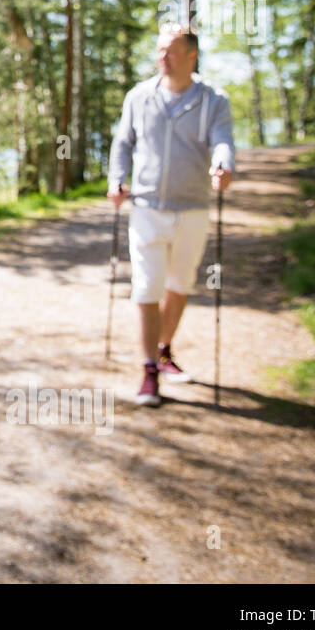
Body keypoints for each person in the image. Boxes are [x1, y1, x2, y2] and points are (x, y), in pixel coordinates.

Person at [107, 22, 234, 407]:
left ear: (192, 56)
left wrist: (224, 166)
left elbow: (223, 141)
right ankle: (148, 370)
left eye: (172, 51)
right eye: (160, 50)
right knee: (146, 287)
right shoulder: (139, 96)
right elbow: (122, 143)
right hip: (146, 208)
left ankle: (164, 351)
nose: (163, 58)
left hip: (193, 208)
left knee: (179, 285)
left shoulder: (214, 100)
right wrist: (116, 180)